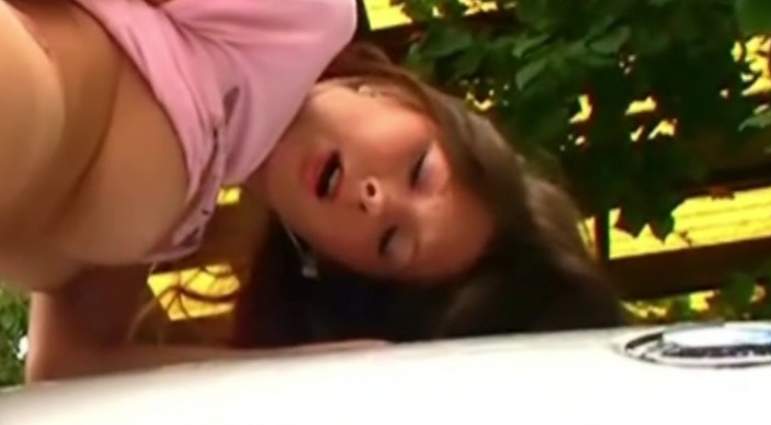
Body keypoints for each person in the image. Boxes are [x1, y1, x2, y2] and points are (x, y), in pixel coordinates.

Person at [1, 0, 622, 382]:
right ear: (399, 96)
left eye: (391, 243)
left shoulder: (184, 210)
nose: (377, 202)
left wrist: (316, 366)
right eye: (420, 171)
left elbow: (65, 369)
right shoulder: (304, 18)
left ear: (327, 262)